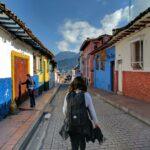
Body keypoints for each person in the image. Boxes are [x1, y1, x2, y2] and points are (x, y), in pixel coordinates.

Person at [63, 77, 99, 150]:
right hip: (83, 125)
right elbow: (92, 111)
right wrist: (96, 123)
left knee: (74, 143)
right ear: (83, 84)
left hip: (71, 124)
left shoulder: (68, 95)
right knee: (82, 141)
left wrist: (70, 117)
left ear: (73, 84)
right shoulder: (86, 95)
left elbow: (64, 110)